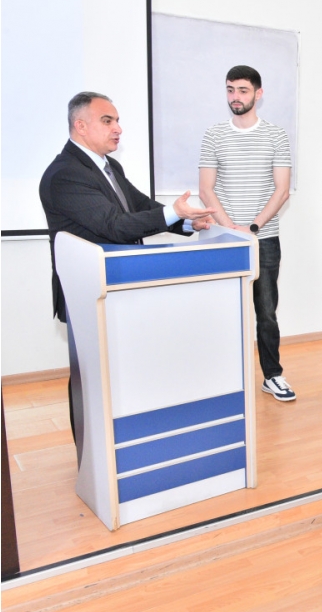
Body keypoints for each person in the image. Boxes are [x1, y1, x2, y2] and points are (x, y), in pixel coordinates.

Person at [39, 91, 215, 461]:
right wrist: (173, 213)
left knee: (124, 375)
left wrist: (187, 222)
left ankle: (130, 449)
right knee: (92, 381)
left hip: (123, 286)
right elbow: (114, 226)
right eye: (108, 121)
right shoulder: (65, 175)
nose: (118, 128)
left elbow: (140, 206)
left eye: (118, 120)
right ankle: (93, 459)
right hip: (91, 292)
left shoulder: (108, 166)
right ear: (80, 125)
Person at [199, 65, 295, 402]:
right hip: (222, 238)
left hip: (263, 238)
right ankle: (222, 380)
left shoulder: (276, 135)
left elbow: (282, 190)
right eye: (230, 90)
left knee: (266, 311)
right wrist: (231, 229)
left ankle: (273, 376)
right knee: (221, 311)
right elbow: (206, 189)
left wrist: (252, 227)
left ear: (258, 93)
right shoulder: (214, 134)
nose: (235, 97)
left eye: (242, 90)